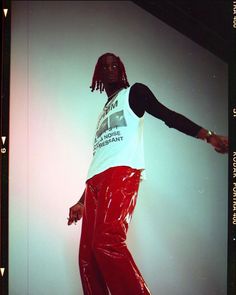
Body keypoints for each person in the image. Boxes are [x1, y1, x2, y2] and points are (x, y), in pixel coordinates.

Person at [67, 52, 228, 295]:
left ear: (120, 69)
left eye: (114, 65)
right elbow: (101, 156)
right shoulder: (103, 111)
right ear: (98, 73)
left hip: (120, 175)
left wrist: (208, 135)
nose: (110, 69)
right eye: (104, 66)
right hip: (94, 183)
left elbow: (168, 116)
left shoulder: (135, 93)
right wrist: (81, 201)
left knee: (107, 243)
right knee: (87, 258)